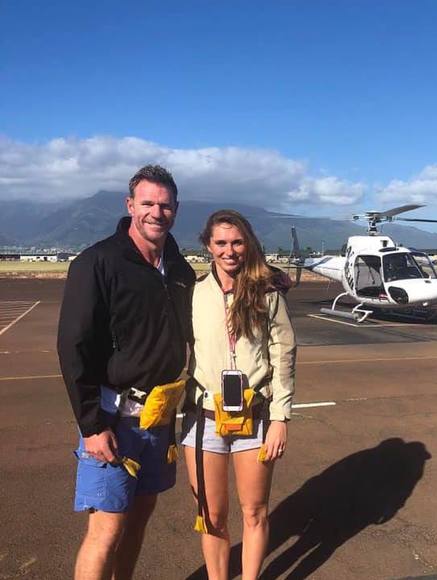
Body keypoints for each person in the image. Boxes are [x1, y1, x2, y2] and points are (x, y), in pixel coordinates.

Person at [57, 165, 195, 580]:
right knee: (106, 531)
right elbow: (73, 347)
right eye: (147, 203)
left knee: (138, 521)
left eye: (165, 205)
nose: (157, 212)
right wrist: (92, 426)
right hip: (113, 420)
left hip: (158, 420)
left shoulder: (179, 269)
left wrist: (261, 279)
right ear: (130, 205)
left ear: (176, 209)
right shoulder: (97, 262)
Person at [181, 209, 296, 580]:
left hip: (256, 417)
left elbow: (284, 353)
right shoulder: (194, 294)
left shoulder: (267, 292)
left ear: (248, 244)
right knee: (211, 516)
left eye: (237, 242)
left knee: (254, 512)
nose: (229, 251)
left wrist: (280, 417)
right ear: (208, 245)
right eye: (220, 243)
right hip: (204, 419)